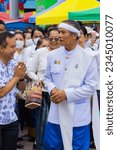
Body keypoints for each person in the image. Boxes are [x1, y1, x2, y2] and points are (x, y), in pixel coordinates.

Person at [43, 20, 98, 150]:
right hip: (56, 114)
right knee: (52, 147)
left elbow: (91, 86)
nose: (59, 36)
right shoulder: (52, 55)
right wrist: (53, 90)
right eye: (58, 32)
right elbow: (46, 79)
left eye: (63, 32)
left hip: (78, 117)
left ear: (74, 35)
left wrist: (66, 94)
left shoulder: (88, 57)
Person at [0, 31, 26, 150]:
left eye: (15, 46)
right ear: (1, 48)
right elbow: (1, 92)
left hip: (11, 118)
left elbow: (21, 89)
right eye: (11, 46)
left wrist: (21, 78)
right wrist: (16, 77)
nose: (15, 50)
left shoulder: (14, 64)